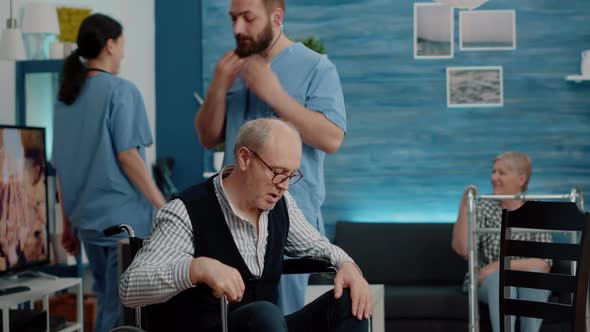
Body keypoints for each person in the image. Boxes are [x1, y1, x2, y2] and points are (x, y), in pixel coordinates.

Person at [120, 118, 371, 332]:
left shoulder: (281, 204)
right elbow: (130, 287)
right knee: (264, 314)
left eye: (291, 174)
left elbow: (318, 246)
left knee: (350, 302)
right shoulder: (185, 210)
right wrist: (195, 268)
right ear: (244, 158)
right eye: (278, 171)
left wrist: (347, 265)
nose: (284, 184)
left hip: (265, 327)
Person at [194, 0, 347, 314]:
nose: (237, 28)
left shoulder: (316, 67)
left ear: (276, 18)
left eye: (248, 18)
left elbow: (331, 138)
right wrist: (218, 85)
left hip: (288, 220)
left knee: (280, 316)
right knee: (226, 315)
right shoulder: (231, 69)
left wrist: (274, 95)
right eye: (233, 19)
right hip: (229, 219)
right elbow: (208, 137)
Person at [52, 14, 166, 332]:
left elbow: (61, 167)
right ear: (110, 45)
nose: (125, 53)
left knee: (105, 300)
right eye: (123, 44)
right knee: (120, 312)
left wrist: (67, 224)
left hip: (86, 224)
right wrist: (163, 204)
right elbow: (128, 156)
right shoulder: (122, 91)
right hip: (122, 226)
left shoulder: (65, 100)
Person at [452, 152, 552, 332]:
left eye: (501, 173)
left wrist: (497, 266)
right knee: (503, 281)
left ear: (521, 179)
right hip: (487, 282)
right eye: (493, 172)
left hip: (512, 277)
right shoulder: (483, 206)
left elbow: (543, 264)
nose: (494, 177)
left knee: (534, 276)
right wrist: (464, 208)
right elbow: (462, 249)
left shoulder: (537, 210)